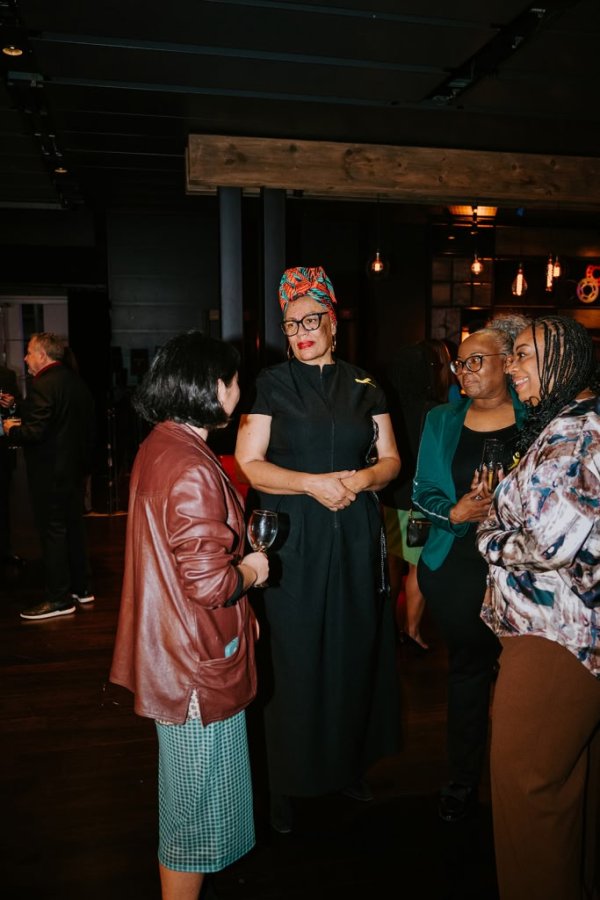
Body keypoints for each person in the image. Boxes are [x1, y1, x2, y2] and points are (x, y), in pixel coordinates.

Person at [235, 265, 401, 834]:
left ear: (332, 321)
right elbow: (249, 463)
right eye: (290, 323)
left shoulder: (365, 384)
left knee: (354, 647)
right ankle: (284, 780)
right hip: (293, 535)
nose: (301, 330)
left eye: (311, 319)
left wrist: (356, 482)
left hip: (355, 532)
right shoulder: (271, 383)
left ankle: (347, 765)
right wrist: (310, 482)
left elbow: (392, 460)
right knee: (294, 654)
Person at [110, 332, 268, 900]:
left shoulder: (161, 444)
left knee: (186, 804)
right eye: (232, 380)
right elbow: (211, 583)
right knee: (192, 820)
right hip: (195, 664)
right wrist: (252, 570)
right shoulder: (192, 464)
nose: (239, 389)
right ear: (208, 386)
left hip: (173, 651)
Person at [477, 316, 600, 900]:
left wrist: (488, 536)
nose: (513, 368)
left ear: (565, 360)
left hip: (557, 638)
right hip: (563, 634)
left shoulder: (578, 432)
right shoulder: (565, 424)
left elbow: (547, 545)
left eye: (525, 355)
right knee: (563, 788)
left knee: (527, 791)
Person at [412, 314, 528, 823]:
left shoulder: (539, 418)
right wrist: (455, 512)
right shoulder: (441, 420)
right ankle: (461, 780)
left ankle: (522, 780)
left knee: (524, 680)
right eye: (460, 363)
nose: (464, 371)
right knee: (467, 676)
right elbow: (422, 491)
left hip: (525, 571)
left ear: (509, 362)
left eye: (475, 361)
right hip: (458, 567)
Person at [4, 333, 95, 620]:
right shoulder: (75, 381)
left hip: (50, 474)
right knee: (74, 530)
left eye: (30, 352)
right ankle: (82, 589)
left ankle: (59, 599)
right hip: (72, 472)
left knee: (53, 533)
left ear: (43, 355)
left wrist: (11, 430)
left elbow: (35, 432)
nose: (25, 357)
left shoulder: (43, 384)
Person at [381, 339, 453, 651]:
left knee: (393, 565)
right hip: (418, 499)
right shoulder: (435, 411)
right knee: (417, 566)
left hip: (389, 495)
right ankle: (412, 631)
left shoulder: (386, 408)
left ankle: (389, 631)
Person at [0, 362, 23, 566]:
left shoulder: (6, 375)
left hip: (2, 450)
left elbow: (19, 408)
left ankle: (5, 551)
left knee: (3, 503)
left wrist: (12, 403)